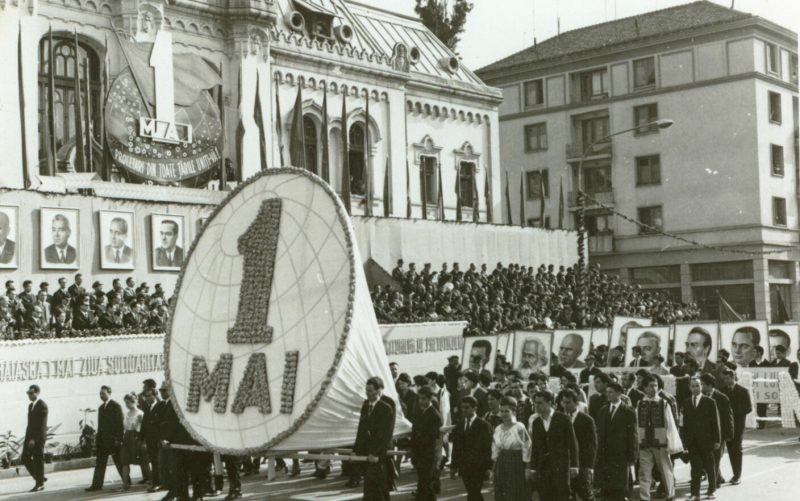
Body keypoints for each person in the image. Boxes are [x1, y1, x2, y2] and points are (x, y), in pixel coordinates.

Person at [528, 390, 578, 501]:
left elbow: (572, 444)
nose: (536, 406)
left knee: (562, 495)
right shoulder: (536, 422)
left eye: (540, 403)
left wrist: (574, 465)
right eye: (535, 403)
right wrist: (533, 467)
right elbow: (535, 447)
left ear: (549, 403)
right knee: (545, 496)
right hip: (543, 468)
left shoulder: (563, 419)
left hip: (560, 467)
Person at [636, 375, 680, 501]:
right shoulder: (639, 404)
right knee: (644, 472)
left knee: (666, 470)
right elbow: (636, 424)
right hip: (644, 443)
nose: (654, 388)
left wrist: (672, 443)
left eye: (655, 385)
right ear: (644, 388)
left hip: (661, 443)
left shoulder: (664, 403)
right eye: (650, 386)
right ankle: (644, 497)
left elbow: (670, 424)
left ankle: (670, 495)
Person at [354, 377, 394, 501]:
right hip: (367, 450)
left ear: (379, 391)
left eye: (370, 391)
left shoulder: (386, 408)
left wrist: (376, 454)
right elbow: (361, 429)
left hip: (379, 452)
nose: (368, 394)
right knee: (373, 484)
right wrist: (356, 449)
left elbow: (385, 434)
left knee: (376, 484)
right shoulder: (366, 406)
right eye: (366, 391)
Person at [596, 382, 637, 501]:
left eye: (611, 392)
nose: (608, 395)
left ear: (619, 393)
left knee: (619, 488)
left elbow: (633, 435)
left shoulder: (628, 411)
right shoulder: (603, 411)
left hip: (621, 455)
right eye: (607, 392)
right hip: (605, 456)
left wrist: (632, 456)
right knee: (606, 489)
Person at [682, 377, 720, 501]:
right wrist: (685, 441)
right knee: (695, 468)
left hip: (707, 441)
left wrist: (716, 440)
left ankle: (711, 490)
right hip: (692, 441)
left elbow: (715, 422)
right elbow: (685, 423)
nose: (695, 388)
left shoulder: (709, 402)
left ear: (701, 386)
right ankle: (695, 494)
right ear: (689, 388)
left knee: (710, 466)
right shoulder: (687, 402)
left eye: (697, 385)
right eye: (692, 386)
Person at [450, 396, 492, 501]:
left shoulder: (483, 425)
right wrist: (453, 466)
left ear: (474, 408)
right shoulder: (460, 425)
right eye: (462, 407)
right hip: (464, 466)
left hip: (479, 467)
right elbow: (456, 447)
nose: (464, 410)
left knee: (473, 492)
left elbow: (488, 448)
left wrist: (489, 467)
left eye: (467, 407)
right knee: (472, 492)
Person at [491, 397, 531, 501]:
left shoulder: (519, 427)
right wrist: (493, 470)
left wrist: (527, 468)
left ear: (513, 411)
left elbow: (527, 447)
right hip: (501, 464)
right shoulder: (498, 429)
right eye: (502, 411)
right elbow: (496, 450)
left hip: (516, 463)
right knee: (502, 493)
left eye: (507, 411)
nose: (503, 414)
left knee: (515, 493)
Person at [87, 385, 124, 491]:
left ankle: (127, 481)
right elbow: (100, 426)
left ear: (109, 393)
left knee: (119, 462)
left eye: (103, 393)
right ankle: (96, 485)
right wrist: (97, 440)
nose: (101, 395)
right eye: (100, 393)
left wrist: (119, 439)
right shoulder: (101, 408)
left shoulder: (116, 406)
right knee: (100, 464)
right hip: (103, 442)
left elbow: (120, 424)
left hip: (113, 441)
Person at [560, 389, 595, 501]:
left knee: (586, 494)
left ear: (576, 403)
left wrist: (589, 466)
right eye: (564, 402)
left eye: (568, 402)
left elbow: (592, 445)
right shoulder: (559, 419)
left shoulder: (587, 420)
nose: (566, 405)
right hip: (566, 464)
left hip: (582, 464)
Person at [700, 373, 732, 489]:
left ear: (709, 385)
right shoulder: (700, 397)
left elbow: (728, 417)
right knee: (708, 459)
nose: (700, 387)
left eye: (702, 384)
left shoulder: (722, 398)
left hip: (719, 434)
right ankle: (718, 477)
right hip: (705, 434)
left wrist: (728, 435)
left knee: (716, 458)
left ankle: (715, 483)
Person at [719, 369, 751, 484]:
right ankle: (719, 476)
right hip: (726, 425)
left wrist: (735, 413)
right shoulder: (722, 391)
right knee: (727, 449)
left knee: (736, 449)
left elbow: (748, 407)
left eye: (728, 378)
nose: (726, 380)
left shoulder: (743, 391)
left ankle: (737, 475)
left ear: (734, 377)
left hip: (738, 425)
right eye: (725, 378)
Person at [410, 386, 442, 501]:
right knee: (424, 483)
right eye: (419, 399)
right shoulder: (418, 412)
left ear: (429, 399)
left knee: (424, 483)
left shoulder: (435, 415)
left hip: (428, 454)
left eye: (424, 399)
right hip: (418, 453)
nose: (421, 401)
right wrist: (413, 451)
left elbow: (431, 438)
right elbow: (414, 431)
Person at [120, 393, 148, 491]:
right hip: (127, 437)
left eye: (128, 402)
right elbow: (125, 427)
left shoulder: (140, 413)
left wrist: (138, 425)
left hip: (136, 437)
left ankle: (151, 481)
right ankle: (124, 484)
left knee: (143, 461)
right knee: (124, 460)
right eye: (125, 403)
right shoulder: (127, 413)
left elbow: (143, 429)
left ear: (134, 401)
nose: (126, 405)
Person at [22, 384, 47, 492]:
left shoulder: (42, 405)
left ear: (37, 393)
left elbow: (41, 425)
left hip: (38, 438)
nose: (29, 395)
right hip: (30, 438)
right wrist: (28, 438)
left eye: (31, 393)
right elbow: (30, 424)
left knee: (38, 460)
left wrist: (34, 439)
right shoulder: (31, 406)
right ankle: (39, 477)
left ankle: (40, 484)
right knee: (24, 458)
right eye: (28, 393)